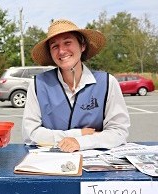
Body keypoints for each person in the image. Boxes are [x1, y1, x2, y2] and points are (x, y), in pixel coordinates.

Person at [22, 19, 130, 153]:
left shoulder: (107, 82)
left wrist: (81, 142)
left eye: (68, 42)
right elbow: (30, 134)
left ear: (82, 46)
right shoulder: (38, 84)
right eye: (54, 46)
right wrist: (78, 134)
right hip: (51, 164)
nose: (61, 51)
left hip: (97, 167)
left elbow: (119, 132)